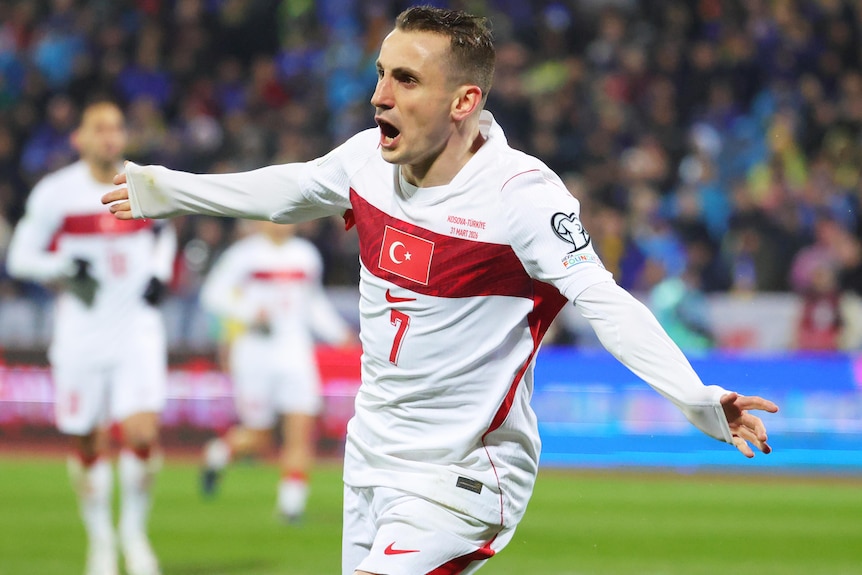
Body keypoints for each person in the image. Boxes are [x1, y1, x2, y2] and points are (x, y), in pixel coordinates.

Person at [102, 7, 779, 575]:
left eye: (405, 80)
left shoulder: (521, 196)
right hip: (370, 458)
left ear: (464, 101)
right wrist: (167, 190)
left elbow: (605, 301)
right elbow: (292, 189)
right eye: (380, 74)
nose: (379, 96)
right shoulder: (367, 160)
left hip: (463, 475)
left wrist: (697, 398)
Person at [8, 99, 176, 575]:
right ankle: (100, 543)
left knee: (142, 434)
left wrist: (160, 272)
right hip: (81, 334)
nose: (109, 136)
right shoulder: (55, 193)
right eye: (99, 128)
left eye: (116, 127)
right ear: (78, 138)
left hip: (137, 329)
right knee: (87, 440)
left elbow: (166, 233)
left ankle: (134, 536)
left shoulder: (143, 183)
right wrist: (63, 266)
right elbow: (20, 257)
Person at [198, 219, 354, 522]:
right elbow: (213, 294)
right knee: (260, 438)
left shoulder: (306, 255)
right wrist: (247, 312)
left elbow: (313, 303)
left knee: (302, 427)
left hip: (296, 351)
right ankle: (218, 453)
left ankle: (291, 507)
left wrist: (337, 333)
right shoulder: (244, 254)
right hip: (255, 353)